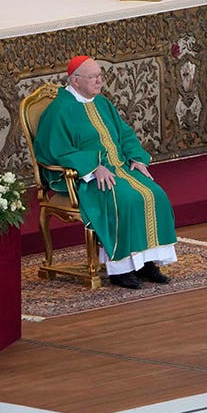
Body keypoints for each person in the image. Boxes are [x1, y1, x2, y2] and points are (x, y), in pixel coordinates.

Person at [34, 56, 178, 290]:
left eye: (100, 76)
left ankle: (146, 263)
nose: (99, 81)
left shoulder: (101, 103)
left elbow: (124, 133)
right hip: (87, 178)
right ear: (75, 80)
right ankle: (120, 270)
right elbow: (54, 149)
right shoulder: (59, 110)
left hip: (119, 167)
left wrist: (136, 157)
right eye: (93, 77)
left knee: (155, 194)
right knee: (125, 199)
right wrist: (92, 166)